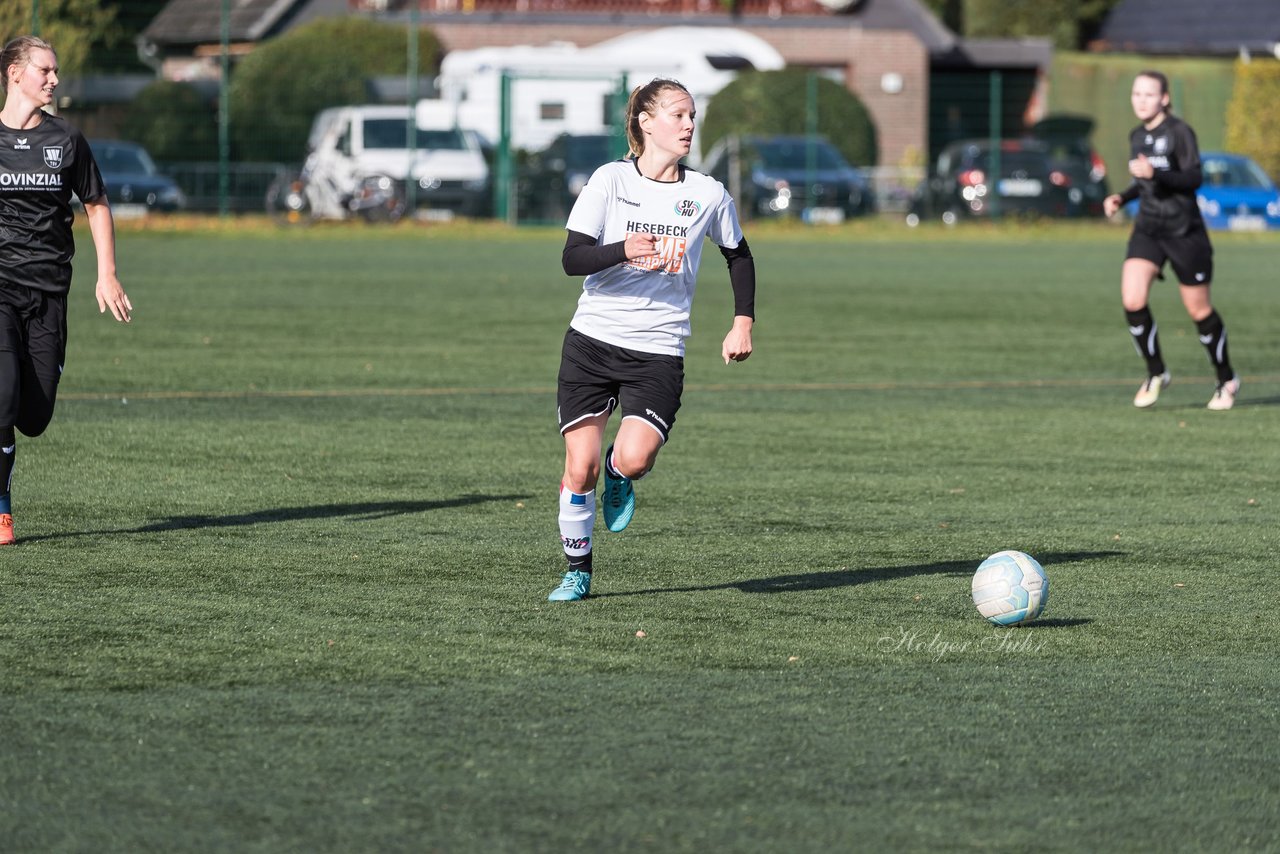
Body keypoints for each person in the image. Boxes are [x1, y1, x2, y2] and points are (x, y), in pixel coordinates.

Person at [548, 78, 756, 601]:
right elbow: (573, 259)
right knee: (580, 467)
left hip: (659, 350)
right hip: (593, 342)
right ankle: (578, 571)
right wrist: (622, 249)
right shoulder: (610, 180)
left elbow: (739, 254)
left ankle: (621, 473)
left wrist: (742, 322)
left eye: (692, 117)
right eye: (679, 116)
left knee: (633, 460)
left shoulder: (707, 193)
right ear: (646, 121)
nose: (689, 126)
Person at [0, 36, 132, 545]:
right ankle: (2, 508)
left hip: (49, 294)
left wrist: (107, 273)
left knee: (33, 418)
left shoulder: (67, 139)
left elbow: (96, 204)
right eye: (46, 70)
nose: (55, 79)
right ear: (15, 73)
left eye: (56, 71)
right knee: (3, 392)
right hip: (1, 289)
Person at [1103, 70, 1238, 411]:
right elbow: (1145, 183)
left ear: (1164, 98)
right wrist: (1122, 197)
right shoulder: (1136, 136)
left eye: (1148, 94)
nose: (1141, 100)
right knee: (1132, 300)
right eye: (1136, 94)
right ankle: (1156, 372)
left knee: (1199, 311)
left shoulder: (1180, 132)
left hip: (1184, 232)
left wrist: (1157, 174)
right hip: (1148, 229)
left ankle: (1226, 379)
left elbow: (1193, 178)